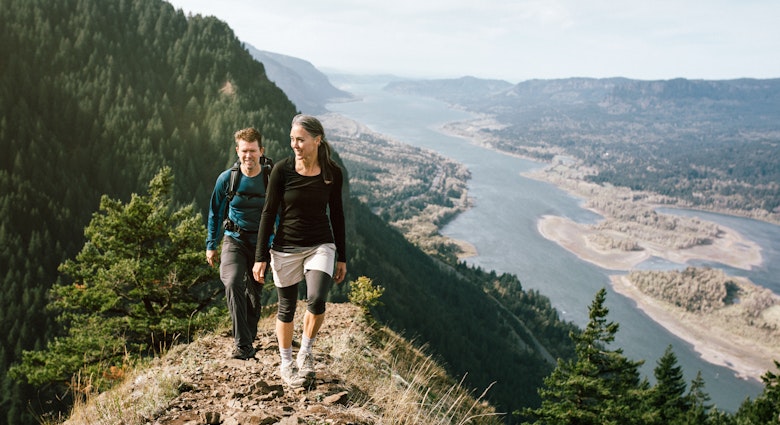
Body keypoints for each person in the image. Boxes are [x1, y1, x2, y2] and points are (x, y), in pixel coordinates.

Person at [252, 114, 347, 388]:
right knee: (287, 308)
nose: (295, 145)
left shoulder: (332, 173)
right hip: (285, 247)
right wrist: (260, 256)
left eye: (301, 140)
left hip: (320, 244)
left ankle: (305, 352)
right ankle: (286, 363)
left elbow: (337, 214)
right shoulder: (281, 170)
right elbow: (268, 212)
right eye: (292, 139)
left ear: (317, 140)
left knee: (316, 300)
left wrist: (342, 256)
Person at [206, 127, 273, 360]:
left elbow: (280, 215)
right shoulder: (227, 179)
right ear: (237, 151)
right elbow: (215, 212)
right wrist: (211, 245)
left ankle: (249, 335)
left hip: (261, 244)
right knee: (233, 281)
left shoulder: (270, 179)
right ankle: (243, 346)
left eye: (252, 151)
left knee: (254, 294)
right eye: (244, 151)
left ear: (261, 151)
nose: (248, 156)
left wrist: (270, 246)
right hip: (234, 239)